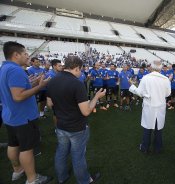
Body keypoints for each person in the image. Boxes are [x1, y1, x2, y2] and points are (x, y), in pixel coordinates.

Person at [46, 56, 105, 184]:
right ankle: (84, 180)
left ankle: (62, 177)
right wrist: (96, 97)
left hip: (61, 125)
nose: (81, 73)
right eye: (81, 70)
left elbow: (49, 104)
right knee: (78, 156)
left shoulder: (52, 80)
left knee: (61, 152)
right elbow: (86, 111)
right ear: (77, 68)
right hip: (77, 127)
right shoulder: (76, 84)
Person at [0, 41, 51, 184]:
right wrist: (40, 86)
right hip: (23, 117)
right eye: (24, 53)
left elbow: (13, 91)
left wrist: (31, 83)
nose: (27, 56)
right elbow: (18, 96)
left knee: (13, 144)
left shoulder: (4, 68)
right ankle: (32, 179)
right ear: (16, 55)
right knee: (26, 149)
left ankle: (17, 171)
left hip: (10, 116)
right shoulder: (15, 70)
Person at [129, 60, 171, 153]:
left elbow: (139, 93)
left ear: (151, 67)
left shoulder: (146, 78)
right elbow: (168, 94)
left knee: (147, 128)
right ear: (160, 68)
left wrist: (132, 86)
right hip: (160, 106)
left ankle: (145, 148)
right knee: (158, 128)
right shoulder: (165, 79)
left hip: (149, 106)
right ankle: (158, 148)